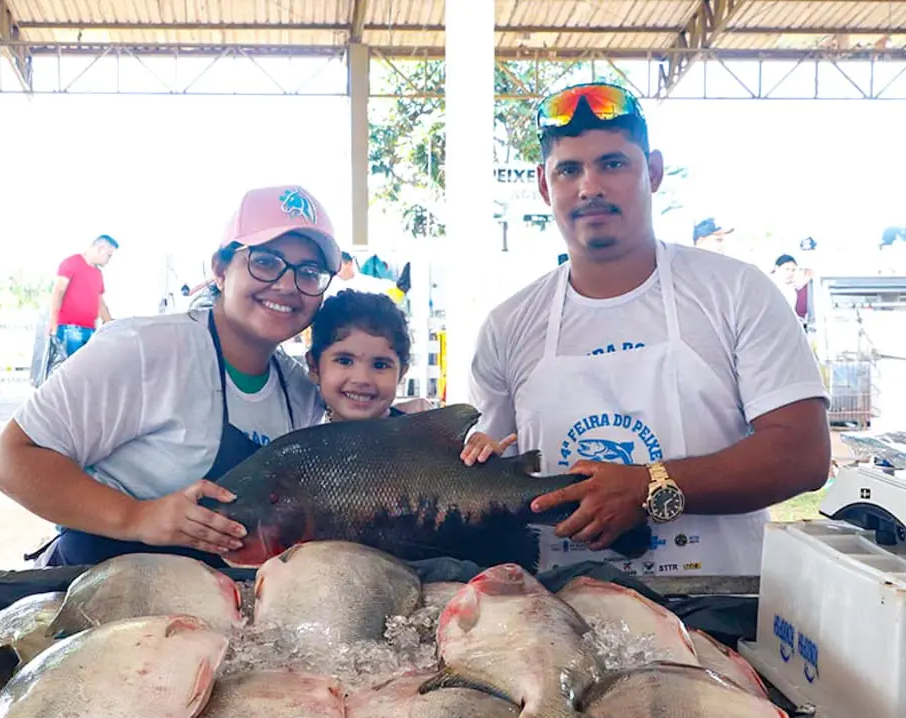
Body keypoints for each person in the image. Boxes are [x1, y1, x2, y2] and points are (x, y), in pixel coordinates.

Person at [463, 81, 831, 577]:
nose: (590, 187)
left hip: (716, 611)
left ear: (653, 172)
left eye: (613, 163)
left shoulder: (735, 291)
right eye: (569, 169)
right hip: (557, 620)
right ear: (545, 185)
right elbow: (491, 480)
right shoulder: (508, 325)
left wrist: (647, 486)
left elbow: (802, 453)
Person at [0, 186, 340, 568]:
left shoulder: (301, 392)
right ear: (220, 269)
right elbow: (9, 460)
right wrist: (136, 516)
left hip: (218, 611)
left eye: (309, 273)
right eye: (266, 262)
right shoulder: (144, 349)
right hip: (98, 598)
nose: (287, 285)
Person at [305, 289, 439, 422]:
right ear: (314, 367)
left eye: (380, 365)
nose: (362, 379)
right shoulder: (302, 440)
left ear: (402, 373)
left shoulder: (423, 438)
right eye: (344, 361)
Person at [46, 235, 119, 360]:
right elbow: (58, 291)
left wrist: (110, 323)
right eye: (109, 255)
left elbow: (99, 302)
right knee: (70, 371)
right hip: (70, 329)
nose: (109, 260)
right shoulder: (71, 263)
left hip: (90, 330)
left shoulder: (97, 274)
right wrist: (53, 320)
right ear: (100, 249)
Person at [772, 253, 812, 322]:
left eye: (793, 270)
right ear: (777, 268)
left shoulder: (790, 287)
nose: (790, 273)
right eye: (787, 269)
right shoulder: (770, 285)